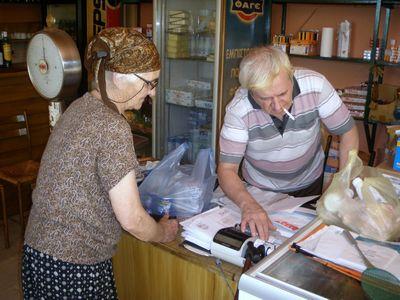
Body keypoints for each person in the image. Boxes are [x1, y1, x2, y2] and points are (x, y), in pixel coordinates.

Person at [22, 27, 178, 299]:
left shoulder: (80, 106)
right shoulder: (112, 126)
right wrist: (162, 232)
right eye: (149, 82)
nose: (152, 93)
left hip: (38, 255)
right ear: (117, 77)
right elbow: (132, 219)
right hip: (73, 267)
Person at [218, 46, 359, 241]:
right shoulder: (238, 110)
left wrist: (342, 185)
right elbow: (226, 169)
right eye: (265, 98)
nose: (277, 106)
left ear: (291, 76)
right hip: (261, 192)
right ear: (250, 91)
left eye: (283, 93)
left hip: (309, 186)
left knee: (308, 241)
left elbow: (348, 132)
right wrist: (248, 205)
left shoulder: (315, 86)